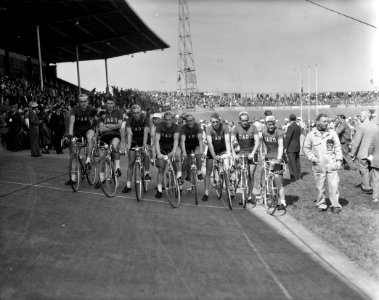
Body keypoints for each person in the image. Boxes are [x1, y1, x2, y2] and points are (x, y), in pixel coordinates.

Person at [303, 113, 343, 214]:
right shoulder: (311, 135)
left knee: (334, 185)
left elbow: (338, 147)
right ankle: (321, 204)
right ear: (318, 122)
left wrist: (339, 160)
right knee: (320, 186)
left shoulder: (332, 133)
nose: (326, 123)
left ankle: (335, 205)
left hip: (331, 163)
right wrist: (312, 158)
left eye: (327, 121)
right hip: (319, 165)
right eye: (324, 121)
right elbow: (306, 148)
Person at [66, 94, 97, 185]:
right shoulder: (74, 109)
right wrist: (70, 134)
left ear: (88, 102)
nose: (83, 103)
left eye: (85, 101)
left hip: (88, 129)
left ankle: (88, 160)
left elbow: (98, 119)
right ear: (78, 103)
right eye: (81, 102)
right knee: (74, 155)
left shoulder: (91, 109)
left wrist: (98, 131)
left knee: (89, 137)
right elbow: (72, 122)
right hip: (77, 131)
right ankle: (73, 179)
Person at [231, 111, 260, 204]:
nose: (245, 122)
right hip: (241, 153)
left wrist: (253, 153)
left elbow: (257, 141)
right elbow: (231, 142)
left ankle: (250, 195)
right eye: (243, 121)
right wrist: (234, 154)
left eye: (246, 120)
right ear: (240, 121)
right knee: (241, 174)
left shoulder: (253, 127)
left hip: (252, 153)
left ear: (249, 120)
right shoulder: (236, 128)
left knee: (251, 174)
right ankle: (239, 191)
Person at [203, 112, 231, 202]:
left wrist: (229, 154)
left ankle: (229, 186)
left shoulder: (225, 127)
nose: (215, 124)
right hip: (212, 151)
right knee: (208, 171)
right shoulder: (208, 128)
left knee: (227, 167)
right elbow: (210, 143)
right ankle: (206, 192)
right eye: (213, 122)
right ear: (211, 122)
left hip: (222, 150)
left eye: (217, 122)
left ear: (220, 120)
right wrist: (214, 156)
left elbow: (227, 141)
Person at [121, 104, 150, 193]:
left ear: (141, 112)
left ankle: (146, 173)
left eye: (138, 113)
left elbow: (145, 132)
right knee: (131, 163)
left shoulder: (146, 119)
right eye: (134, 113)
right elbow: (129, 133)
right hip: (134, 140)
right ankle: (128, 185)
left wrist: (145, 144)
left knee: (146, 154)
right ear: (132, 114)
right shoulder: (129, 121)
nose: (136, 114)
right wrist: (129, 145)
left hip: (144, 139)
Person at [96, 97, 123, 188]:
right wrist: (113, 126)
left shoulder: (118, 112)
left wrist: (107, 125)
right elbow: (101, 128)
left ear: (114, 104)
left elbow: (119, 125)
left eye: (111, 103)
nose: (110, 105)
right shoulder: (102, 114)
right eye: (108, 103)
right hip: (104, 136)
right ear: (105, 104)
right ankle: (101, 179)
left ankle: (117, 169)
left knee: (114, 147)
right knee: (101, 157)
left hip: (115, 135)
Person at [154, 111, 181, 199]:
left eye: (169, 120)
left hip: (172, 147)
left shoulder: (176, 127)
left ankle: (177, 180)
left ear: (172, 119)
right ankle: (159, 189)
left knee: (176, 157)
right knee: (161, 168)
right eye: (166, 120)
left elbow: (176, 140)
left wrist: (173, 151)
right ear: (163, 119)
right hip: (162, 147)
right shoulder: (159, 126)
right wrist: (158, 153)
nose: (168, 121)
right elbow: (157, 140)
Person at [261, 115, 286, 209]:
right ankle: (272, 197)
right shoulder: (264, 132)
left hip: (277, 158)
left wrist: (279, 158)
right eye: (269, 124)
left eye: (272, 124)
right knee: (270, 180)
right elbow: (263, 143)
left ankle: (283, 202)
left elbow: (281, 146)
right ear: (266, 124)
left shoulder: (279, 132)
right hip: (268, 158)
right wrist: (263, 153)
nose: (271, 126)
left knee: (278, 181)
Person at [350, 110, 377, 194]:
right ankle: (373, 185)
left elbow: (356, 141)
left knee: (364, 168)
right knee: (372, 169)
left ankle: (366, 187)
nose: (359, 117)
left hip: (364, 152)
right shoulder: (375, 126)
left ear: (365, 117)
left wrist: (352, 153)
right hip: (373, 152)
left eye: (360, 116)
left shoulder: (361, 126)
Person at [180, 114, 204, 182]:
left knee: (198, 155)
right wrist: (184, 152)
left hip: (196, 144)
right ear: (186, 122)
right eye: (187, 121)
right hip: (187, 145)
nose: (189, 122)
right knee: (186, 161)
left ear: (194, 120)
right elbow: (182, 141)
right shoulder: (183, 128)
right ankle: (187, 174)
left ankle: (199, 173)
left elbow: (200, 139)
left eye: (191, 120)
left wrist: (201, 151)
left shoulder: (197, 126)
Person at [284, 114, 301, 181]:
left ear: (289, 119)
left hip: (291, 147)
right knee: (297, 162)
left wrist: (285, 147)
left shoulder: (291, 127)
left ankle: (294, 176)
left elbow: (288, 137)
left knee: (291, 162)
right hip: (297, 146)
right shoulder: (298, 127)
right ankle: (298, 175)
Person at [368, 116, 379, 203]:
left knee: (376, 179)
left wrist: (371, 156)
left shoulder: (375, 134)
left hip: (376, 159)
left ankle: (375, 197)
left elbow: (370, 148)